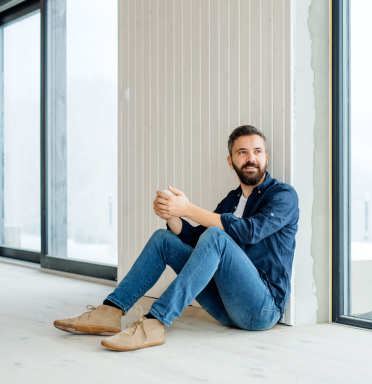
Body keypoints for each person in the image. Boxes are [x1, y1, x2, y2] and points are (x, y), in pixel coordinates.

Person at [54, 125, 300, 352]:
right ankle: (110, 311)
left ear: (266, 158)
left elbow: (249, 231)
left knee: (217, 235)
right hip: (226, 307)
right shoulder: (231, 201)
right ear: (231, 161)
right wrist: (172, 215)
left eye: (257, 151)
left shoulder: (283, 196)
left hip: (262, 309)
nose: (251, 158)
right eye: (242, 152)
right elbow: (196, 241)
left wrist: (188, 209)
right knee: (164, 238)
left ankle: (155, 322)